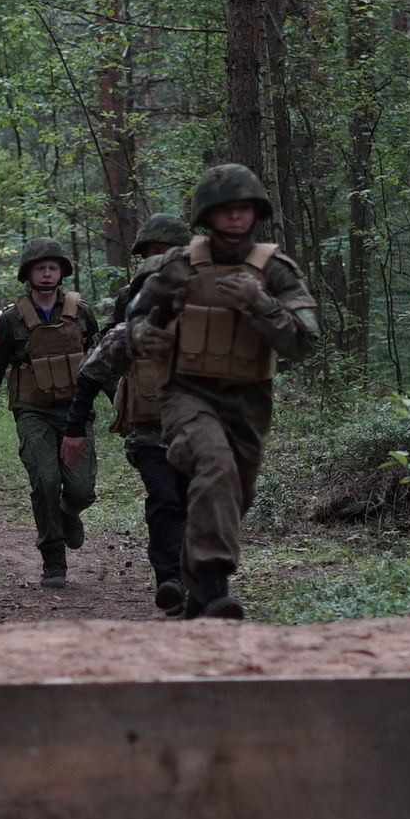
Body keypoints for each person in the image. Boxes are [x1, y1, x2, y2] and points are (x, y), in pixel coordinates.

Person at [128, 166, 318, 620]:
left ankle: (196, 592)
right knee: (214, 463)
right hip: (186, 394)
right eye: (226, 209)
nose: (236, 217)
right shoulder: (178, 266)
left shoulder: (275, 271)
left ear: (256, 213)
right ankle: (214, 584)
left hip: (248, 400)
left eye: (244, 208)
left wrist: (261, 304)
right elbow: (133, 317)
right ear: (207, 216)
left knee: (234, 494)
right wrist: (144, 337)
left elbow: (305, 341)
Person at [61, 213, 193, 614]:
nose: (160, 260)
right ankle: (169, 579)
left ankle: (200, 582)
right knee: (167, 499)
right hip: (149, 430)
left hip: (201, 430)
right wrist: (77, 428)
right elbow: (96, 370)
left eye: (167, 252)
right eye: (152, 253)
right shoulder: (130, 309)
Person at [0, 237, 99, 588]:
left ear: (62, 273)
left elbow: (103, 363)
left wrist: (125, 408)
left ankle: (69, 515)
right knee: (45, 480)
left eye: (53, 267)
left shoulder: (82, 313)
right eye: (41, 268)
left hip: (75, 411)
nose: (47, 273)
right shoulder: (11, 319)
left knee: (81, 490)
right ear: (28, 273)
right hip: (32, 411)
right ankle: (53, 559)